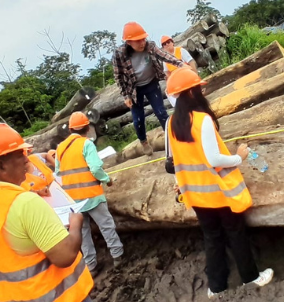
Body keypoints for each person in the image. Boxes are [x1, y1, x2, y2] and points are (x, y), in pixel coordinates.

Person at [0, 123, 93, 302]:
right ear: (1, 166)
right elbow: (64, 256)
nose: (27, 160)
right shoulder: (23, 204)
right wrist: (75, 223)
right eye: (21, 156)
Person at [164, 68, 274, 299]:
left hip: (195, 194)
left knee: (212, 237)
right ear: (191, 92)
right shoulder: (202, 120)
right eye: (199, 88)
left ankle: (216, 286)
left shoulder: (170, 124)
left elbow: (175, 161)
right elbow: (213, 158)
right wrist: (239, 157)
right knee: (235, 232)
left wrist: (180, 183)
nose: (202, 91)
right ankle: (251, 277)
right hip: (218, 191)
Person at [56, 111, 123, 276]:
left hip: (73, 199)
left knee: (83, 232)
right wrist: (107, 179)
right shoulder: (86, 144)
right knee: (106, 225)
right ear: (87, 128)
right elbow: (95, 168)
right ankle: (117, 256)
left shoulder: (60, 148)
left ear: (71, 130)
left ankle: (91, 265)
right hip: (91, 194)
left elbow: (58, 172)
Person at [112, 21, 185, 155]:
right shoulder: (119, 54)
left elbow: (164, 55)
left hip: (151, 83)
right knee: (138, 120)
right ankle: (144, 142)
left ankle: (172, 139)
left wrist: (180, 64)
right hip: (134, 90)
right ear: (129, 42)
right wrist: (126, 96)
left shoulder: (150, 46)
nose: (142, 43)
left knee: (161, 113)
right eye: (138, 41)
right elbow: (118, 76)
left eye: (143, 39)